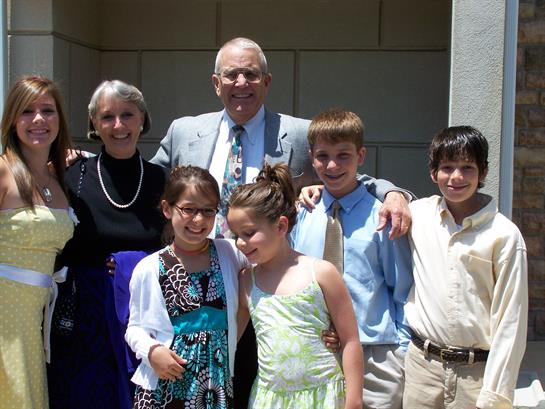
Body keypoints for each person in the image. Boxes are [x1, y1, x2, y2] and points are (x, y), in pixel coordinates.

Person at [150, 37, 412, 404]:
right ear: (216, 83)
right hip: (207, 288)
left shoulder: (301, 134)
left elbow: (343, 168)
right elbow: (146, 184)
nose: (241, 83)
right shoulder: (184, 131)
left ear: (267, 81)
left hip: (276, 286)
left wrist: (392, 192)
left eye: (251, 74)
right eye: (231, 75)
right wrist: (83, 164)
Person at [47, 80, 169, 409]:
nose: (118, 126)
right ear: (94, 124)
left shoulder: (163, 180)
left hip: (144, 314)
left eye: (127, 115)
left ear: (142, 119)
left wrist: (133, 262)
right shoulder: (71, 176)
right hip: (85, 317)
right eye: (107, 117)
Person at [290, 109, 412, 409]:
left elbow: (403, 289)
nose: (332, 165)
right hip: (313, 351)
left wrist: (402, 352)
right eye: (323, 156)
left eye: (343, 155)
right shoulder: (302, 214)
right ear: (311, 157)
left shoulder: (381, 217)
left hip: (374, 356)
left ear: (361, 156)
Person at [403, 126, 528, 409]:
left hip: (476, 376)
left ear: (483, 172)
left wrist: (494, 395)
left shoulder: (503, 235)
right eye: (447, 167)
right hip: (422, 371)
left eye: (467, 167)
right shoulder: (419, 216)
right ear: (433, 173)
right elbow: (368, 192)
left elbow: (511, 320)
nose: (456, 177)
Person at [227, 162, 364, 409]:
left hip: (324, 397)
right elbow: (229, 341)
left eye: (248, 233)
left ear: (281, 226)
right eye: (236, 234)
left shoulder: (321, 273)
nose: (239, 243)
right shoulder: (246, 281)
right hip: (270, 401)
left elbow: (350, 340)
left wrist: (354, 401)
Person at [126, 165, 249, 408]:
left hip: (215, 387)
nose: (198, 219)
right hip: (165, 388)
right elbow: (134, 327)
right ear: (167, 209)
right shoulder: (149, 268)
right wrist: (152, 351)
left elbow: (268, 273)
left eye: (208, 210)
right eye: (188, 209)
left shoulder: (232, 254)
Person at [0, 76, 75, 409]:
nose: (39, 119)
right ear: (12, 119)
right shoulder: (3, 171)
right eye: (27, 111)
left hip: (33, 321)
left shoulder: (58, 180)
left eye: (48, 110)